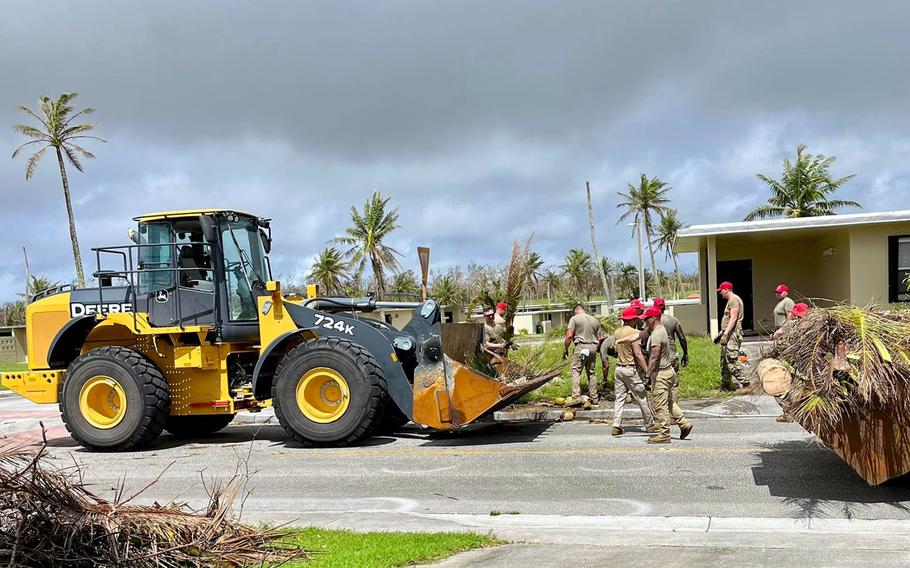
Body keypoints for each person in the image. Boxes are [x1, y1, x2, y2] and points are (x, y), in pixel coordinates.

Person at [638, 306, 692, 443]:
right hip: (668, 372)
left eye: (646, 319)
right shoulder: (658, 329)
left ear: (653, 319)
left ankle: (664, 435)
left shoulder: (656, 334)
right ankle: (684, 423)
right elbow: (638, 335)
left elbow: (654, 357)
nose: (644, 321)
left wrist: (647, 376)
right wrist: (620, 339)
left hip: (661, 373)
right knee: (669, 402)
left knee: (660, 404)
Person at [602, 307, 655, 436]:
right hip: (630, 368)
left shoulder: (617, 332)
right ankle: (649, 424)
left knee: (619, 398)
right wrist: (647, 370)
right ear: (632, 320)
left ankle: (616, 425)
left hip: (619, 368)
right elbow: (638, 354)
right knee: (641, 397)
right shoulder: (634, 332)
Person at [563, 303, 604, 405]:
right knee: (591, 372)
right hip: (593, 347)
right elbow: (600, 337)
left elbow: (569, 336)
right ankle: (594, 397)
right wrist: (595, 348)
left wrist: (565, 349)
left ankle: (576, 396)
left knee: (576, 371)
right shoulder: (594, 320)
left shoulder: (574, 319)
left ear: (575, 311)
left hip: (581, 347)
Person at [717, 281, 747, 391]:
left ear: (726, 290)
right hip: (728, 332)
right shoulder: (731, 300)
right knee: (724, 361)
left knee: (731, 359)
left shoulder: (734, 300)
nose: (720, 293)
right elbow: (728, 319)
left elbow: (733, 318)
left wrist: (725, 334)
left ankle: (746, 384)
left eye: (721, 291)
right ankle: (725, 386)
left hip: (732, 334)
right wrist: (722, 333)